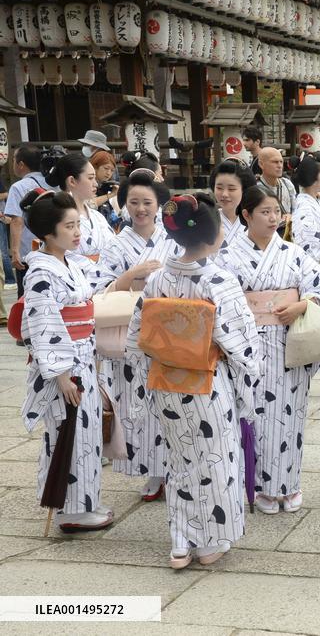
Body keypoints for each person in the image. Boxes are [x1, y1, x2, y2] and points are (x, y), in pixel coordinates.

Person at [125, 193, 261, 568]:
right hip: (206, 382)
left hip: (166, 383)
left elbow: (137, 336)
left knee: (180, 461)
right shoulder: (218, 279)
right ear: (213, 234)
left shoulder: (157, 279)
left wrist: (143, 382)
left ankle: (180, 542)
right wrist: (250, 382)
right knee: (214, 462)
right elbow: (242, 343)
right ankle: (209, 543)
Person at [216, 186, 320, 514]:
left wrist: (302, 304)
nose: (274, 217)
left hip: (287, 343)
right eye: (265, 211)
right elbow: (219, 300)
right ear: (246, 215)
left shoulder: (292, 253)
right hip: (247, 346)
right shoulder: (227, 256)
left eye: (277, 211)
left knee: (290, 416)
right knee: (254, 415)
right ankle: (261, 486)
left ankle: (289, 485)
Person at [20, 190, 111, 532]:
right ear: (47, 233)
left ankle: (84, 503)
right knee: (67, 433)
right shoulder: (40, 273)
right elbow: (44, 325)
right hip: (64, 367)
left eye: (78, 225)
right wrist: (60, 374)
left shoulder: (73, 263)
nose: (78, 233)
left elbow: (101, 286)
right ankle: (70, 511)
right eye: (70, 226)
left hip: (82, 359)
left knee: (86, 435)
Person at [94, 169, 178, 502]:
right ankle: (153, 473)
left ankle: (174, 468)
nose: (140, 209)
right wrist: (133, 274)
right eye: (133, 202)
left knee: (169, 402)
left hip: (169, 332)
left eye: (147, 202)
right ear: (124, 205)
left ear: (159, 205)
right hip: (130, 336)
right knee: (137, 404)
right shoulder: (116, 245)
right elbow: (102, 290)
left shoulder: (172, 242)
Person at [5, 145, 54, 298]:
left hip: (29, 253)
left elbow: (17, 220)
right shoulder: (53, 184)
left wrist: (15, 251)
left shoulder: (18, 187)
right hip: (54, 249)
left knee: (28, 296)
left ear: (21, 164)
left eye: (14, 160)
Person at [46, 153, 112, 261]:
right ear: (72, 181)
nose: (95, 184)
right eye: (90, 178)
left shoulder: (97, 216)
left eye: (95, 178)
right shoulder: (57, 216)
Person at [211, 160, 256, 250]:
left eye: (231, 189)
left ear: (244, 189)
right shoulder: (207, 220)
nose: (224, 194)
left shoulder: (256, 220)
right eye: (219, 188)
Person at [256, 147, 296, 217]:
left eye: (281, 162)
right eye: (275, 162)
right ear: (261, 164)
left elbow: (296, 210)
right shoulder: (256, 188)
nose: (279, 166)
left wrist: (291, 217)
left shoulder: (287, 184)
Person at [89, 151, 120, 228]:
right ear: (95, 167)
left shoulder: (108, 185)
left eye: (112, 170)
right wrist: (111, 195)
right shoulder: (86, 183)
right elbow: (89, 204)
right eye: (106, 168)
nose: (109, 173)